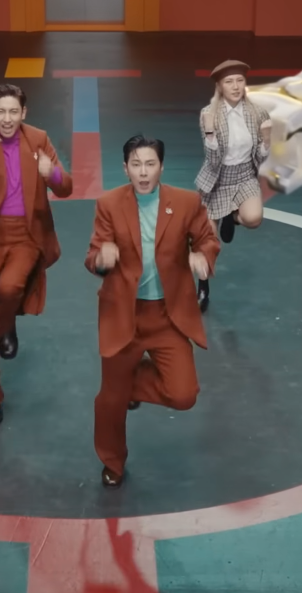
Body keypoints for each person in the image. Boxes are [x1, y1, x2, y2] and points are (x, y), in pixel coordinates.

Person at [89, 135, 220, 486]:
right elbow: (93, 253)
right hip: (123, 315)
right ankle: (113, 462)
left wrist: (202, 257)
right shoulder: (108, 204)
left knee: (183, 395)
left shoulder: (186, 202)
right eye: (136, 165)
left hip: (167, 316)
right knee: (110, 402)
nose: (143, 172)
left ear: (162, 167)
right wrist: (102, 259)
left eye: (150, 164)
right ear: (125, 168)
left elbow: (207, 239)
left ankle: (128, 386)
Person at [0, 84, 73, 423]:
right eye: (1, 111)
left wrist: (53, 173)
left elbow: (66, 187)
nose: (7, 119)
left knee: (9, 287)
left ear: (24, 113)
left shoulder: (38, 139)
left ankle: (6, 325)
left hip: (26, 236)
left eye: (13, 112)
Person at [194, 60, 273, 311]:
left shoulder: (258, 113)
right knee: (208, 239)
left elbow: (260, 158)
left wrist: (266, 142)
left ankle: (233, 216)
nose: (236, 86)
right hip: (217, 179)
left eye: (240, 80)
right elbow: (213, 160)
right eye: (229, 82)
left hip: (244, 176)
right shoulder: (209, 114)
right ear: (220, 86)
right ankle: (203, 286)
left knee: (254, 219)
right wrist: (209, 134)